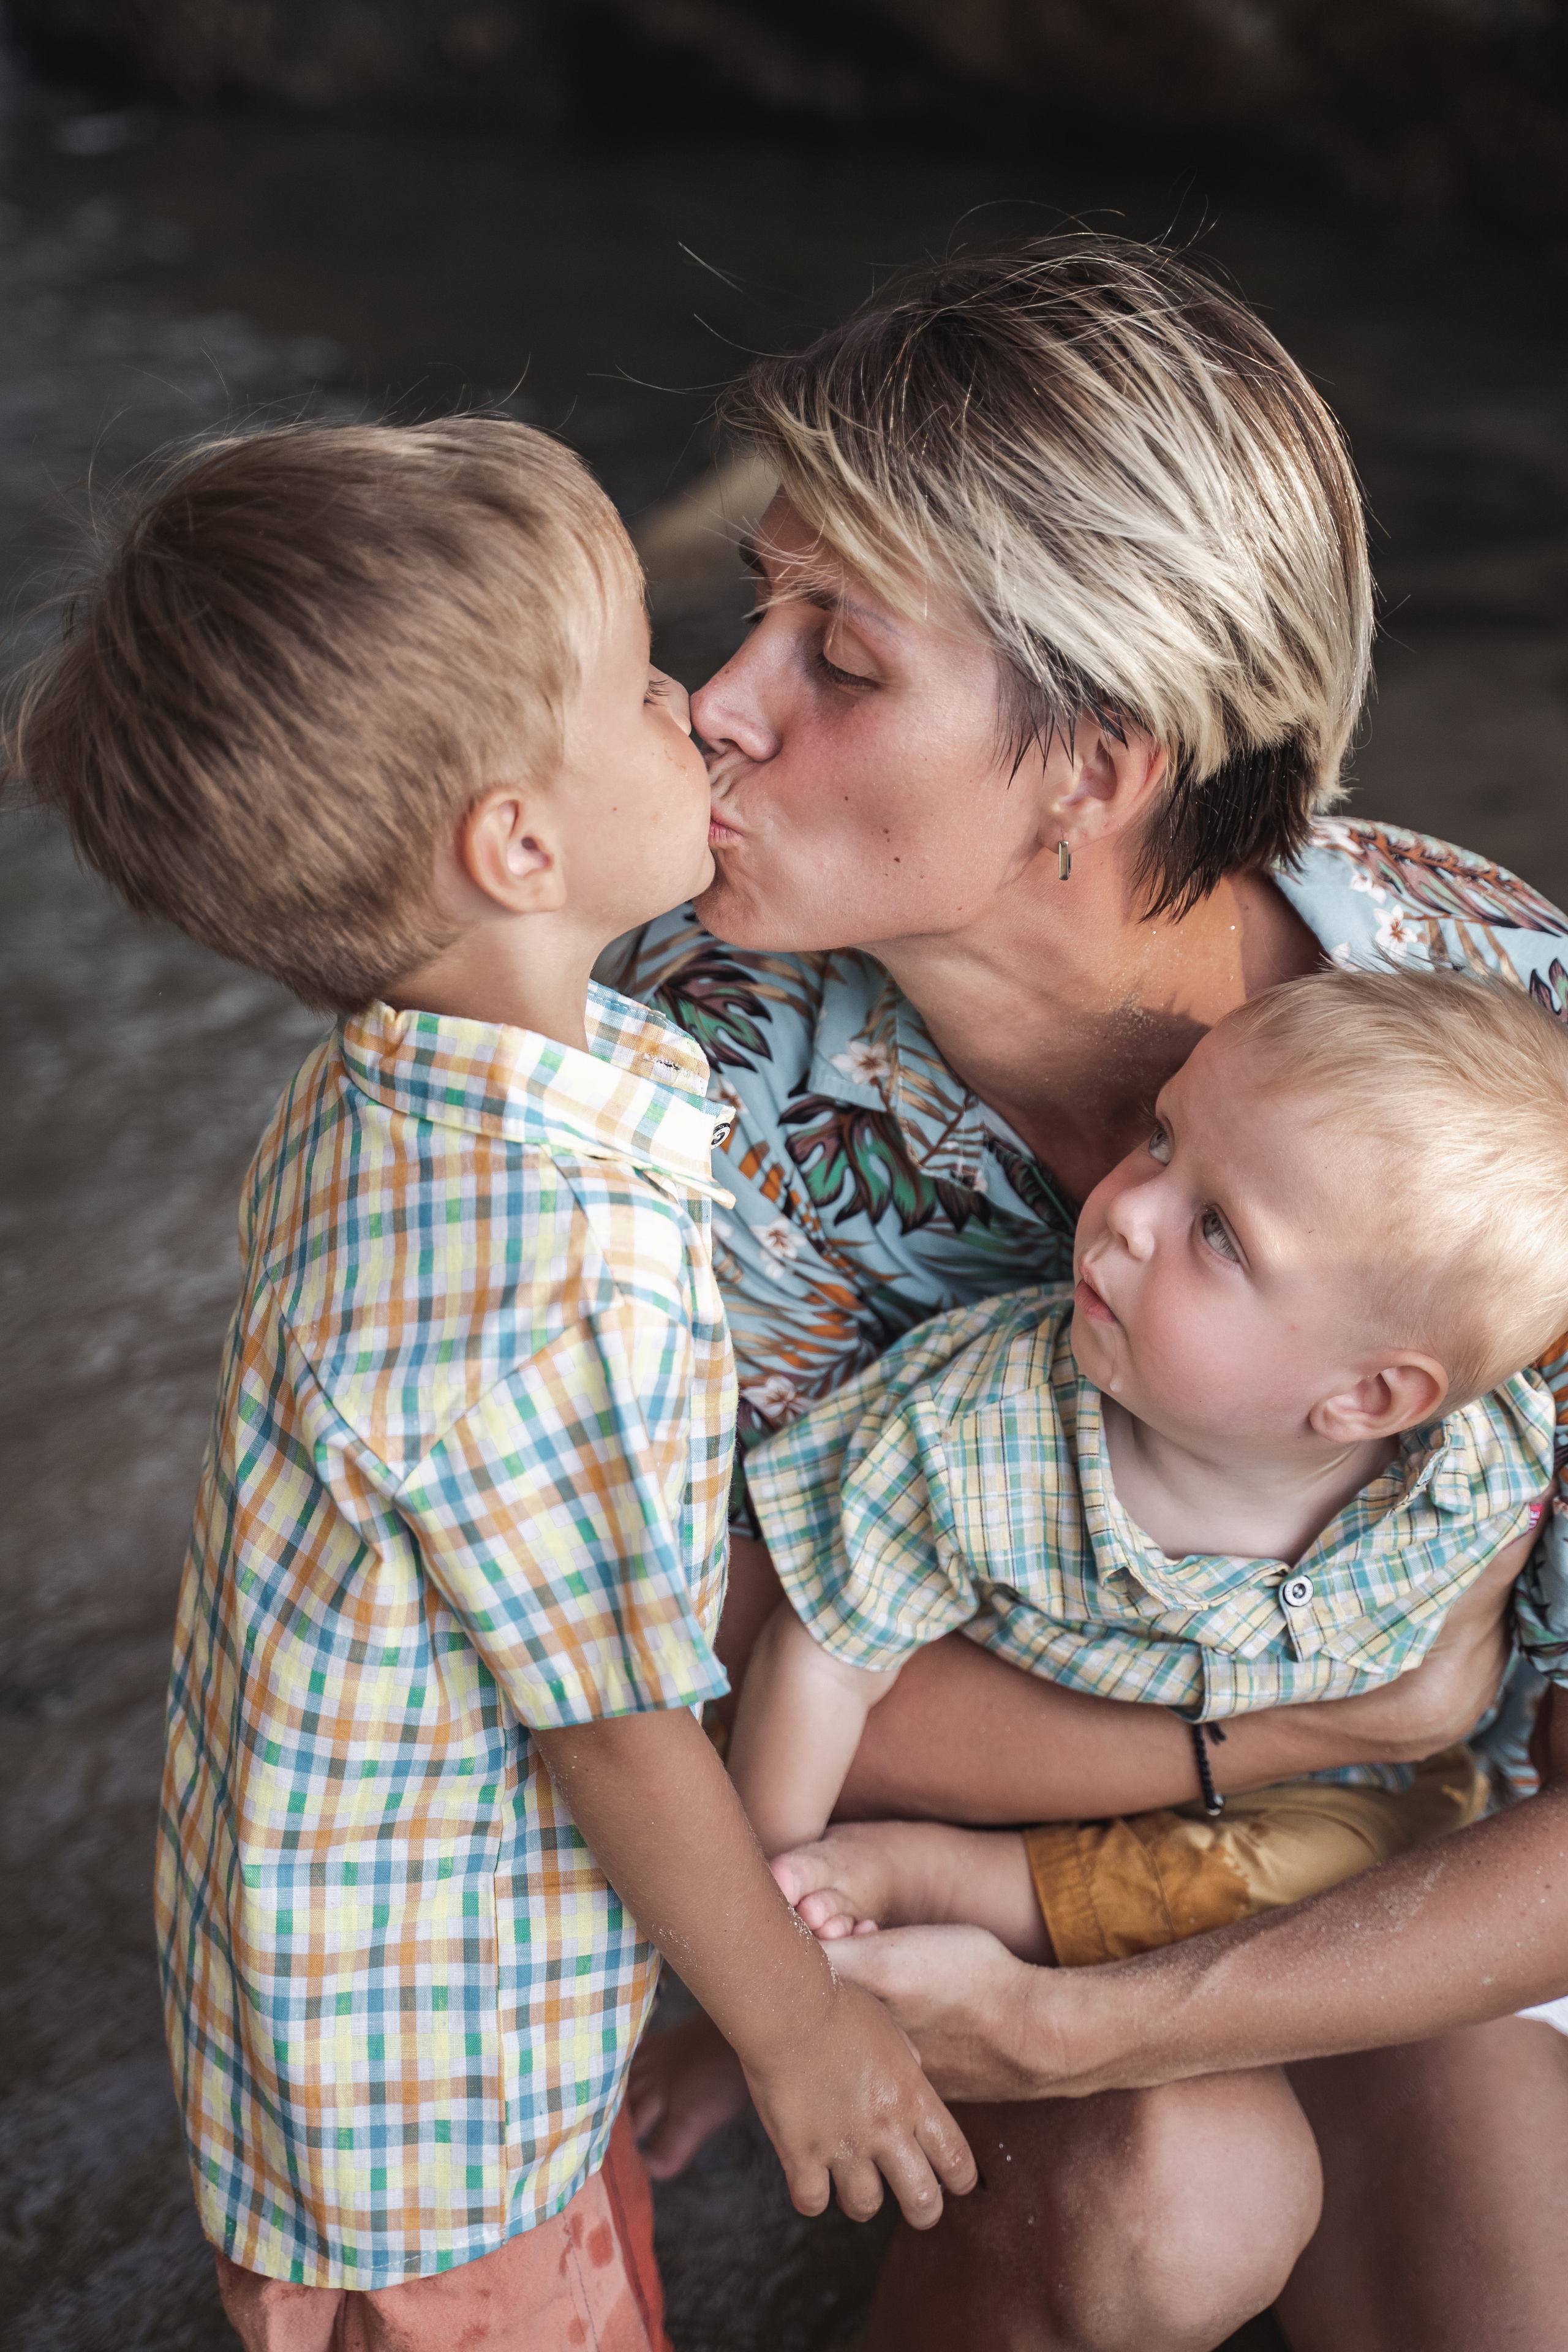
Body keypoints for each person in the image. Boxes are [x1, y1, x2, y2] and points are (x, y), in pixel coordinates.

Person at [609, 235, 1568, 2348]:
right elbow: (679, 1706)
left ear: (1097, 764)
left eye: (835, 659)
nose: (718, 709)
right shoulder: (667, 1085)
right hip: (899, 1887)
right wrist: (1304, 1720)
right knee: (1168, 2187)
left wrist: (1108, 2020)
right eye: (754, 607)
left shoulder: (1516, 1024)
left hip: (1389, 1859)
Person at [6, 419, 974, 2352]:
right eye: (635, 683)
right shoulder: (547, 1264)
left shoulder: (395, 1084)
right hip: (430, 2108)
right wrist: (800, 2040)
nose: (695, 704)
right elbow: (614, 1730)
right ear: (517, 845)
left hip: (366, 2010)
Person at [729, 967, 1564, 1964]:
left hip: (1314, 1812)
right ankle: (916, 1883)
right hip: (1033, 1790)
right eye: (1162, 1138)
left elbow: (1482, 1646)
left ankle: (948, 1888)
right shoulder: (974, 1438)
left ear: (1372, 1401)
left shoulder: (1481, 1470)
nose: (1126, 1209)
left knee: (1371, 1863)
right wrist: (759, 1925)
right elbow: (820, 1661)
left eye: (1217, 1230)